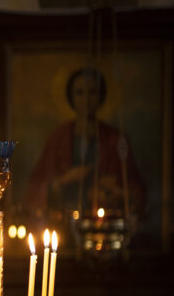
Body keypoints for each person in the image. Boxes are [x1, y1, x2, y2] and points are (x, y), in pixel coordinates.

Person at [24, 67, 145, 223]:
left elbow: (136, 191)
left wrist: (116, 192)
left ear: (101, 96)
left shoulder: (115, 138)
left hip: (104, 223)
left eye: (92, 92)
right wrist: (65, 179)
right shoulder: (58, 137)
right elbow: (35, 190)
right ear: (71, 97)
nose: (86, 99)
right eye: (80, 92)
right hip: (64, 223)